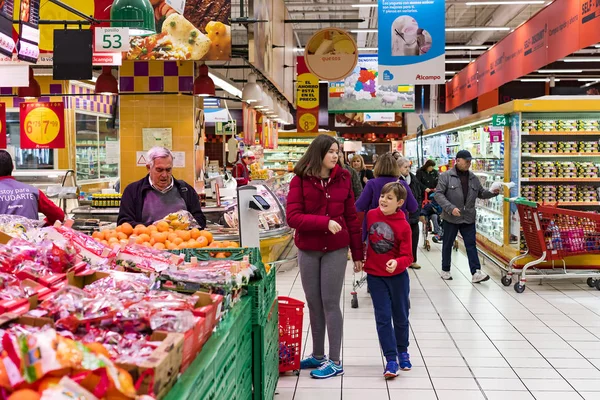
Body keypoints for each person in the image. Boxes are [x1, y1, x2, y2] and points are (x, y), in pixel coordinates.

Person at [286, 134, 362, 379]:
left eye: (337, 151)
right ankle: (318, 355)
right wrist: (324, 222)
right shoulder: (300, 179)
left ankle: (335, 360)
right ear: (318, 153)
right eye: (331, 151)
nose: (335, 155)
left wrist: (358, 253)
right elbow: (293, 217)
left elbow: (351, 216)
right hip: (308, 248)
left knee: (330, 302)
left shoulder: (344, 177)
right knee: (313, 302)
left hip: (336, 250)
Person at [356, 182, 413, 379]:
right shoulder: (371, 215)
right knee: (382, 317)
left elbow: (409, 257)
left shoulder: (403, 225)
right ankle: (390, 358)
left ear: (400, 202)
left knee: (401, 316)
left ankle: (402, 350)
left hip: (398, 278)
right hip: (375, 275)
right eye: (382, 196)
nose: (383, 200)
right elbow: (363, 237)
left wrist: (397, 263)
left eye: (390, 198)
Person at [435, 150, 500, 283]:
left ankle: (476, 272)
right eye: (466, 161)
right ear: (457, 160)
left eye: (470, 161)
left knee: (471, 245)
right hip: (451, 217)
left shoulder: (473, 178)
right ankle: (445, 269)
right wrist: (450, 208)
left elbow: (481, 193)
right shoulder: (446, 176)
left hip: (468, 217)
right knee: (448, 244)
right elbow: (438, 195)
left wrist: (493, 193)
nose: (469, 164)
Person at [118, 147, 206, 228]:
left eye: (168, 170)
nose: (164, 175)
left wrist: (183, 224)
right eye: (159, 170)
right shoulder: (133, 191)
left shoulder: (185, 190)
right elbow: (123, 224)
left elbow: (200, 220)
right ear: (149, 168)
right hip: (146, 243)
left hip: (180, 243)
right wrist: (152, 227)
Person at [355, 153, 418, 243]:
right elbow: (413, 207)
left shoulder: (371, 184)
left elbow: (359, 206)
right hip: (398, 230)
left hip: (376, 230)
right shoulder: (402, 184)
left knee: (376, 256)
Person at [0, 150, 65, 225]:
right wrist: (42, 225)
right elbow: (58, 215)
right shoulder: (33, 191)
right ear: (13, 167)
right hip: (29, 236)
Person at [398, 157, 425, 269]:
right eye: (405, 167)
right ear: (398, 168)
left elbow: (419, 195)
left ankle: (412, 260)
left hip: (413, 213)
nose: (407, 169)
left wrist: (418, 210)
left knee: (414, 236)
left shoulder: (413, 179)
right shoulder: (396, 180)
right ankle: (400, 259)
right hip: (401, 215)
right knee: (401, 238)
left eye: (408, 167)